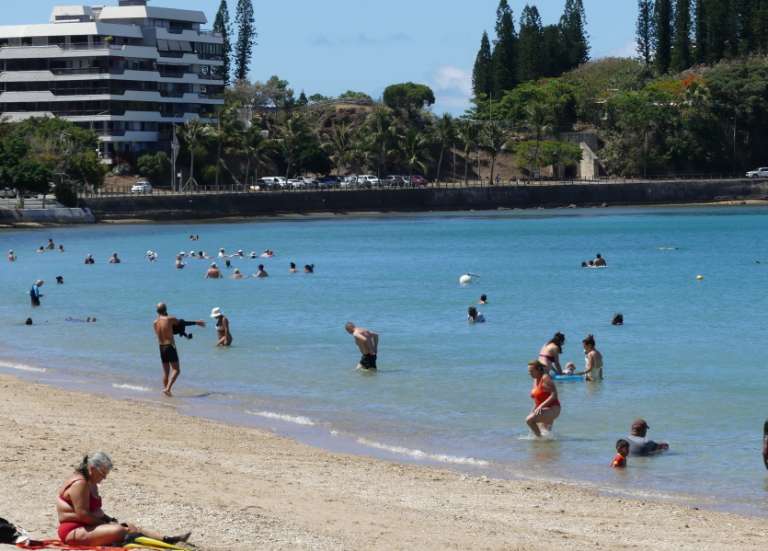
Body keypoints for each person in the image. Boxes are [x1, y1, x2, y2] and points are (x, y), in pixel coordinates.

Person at [56, 452, 190, 546]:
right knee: (119, 530)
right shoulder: (80, 483)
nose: (104, 478)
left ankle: (168, 539)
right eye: (103, 473)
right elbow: (82, 514)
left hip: (89, 526)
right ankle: (131, 538)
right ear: (92, 468)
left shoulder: (91, 483)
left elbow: (95, 510)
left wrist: (109, 519)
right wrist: (106, 524)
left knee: (130, 525)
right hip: (74, 531)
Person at [153, 302, 205, 396]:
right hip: (170, 346)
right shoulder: (170, 319)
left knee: (166, 372)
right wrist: (196, 322)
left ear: (157, 311)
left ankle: (166, 391)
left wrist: (183, 334)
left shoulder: (155, 323)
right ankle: (168, 389)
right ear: (166, 310)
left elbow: (166, 332)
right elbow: (182, 323)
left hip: (161, 347)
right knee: (176, 370)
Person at [526, 360, 561, 438]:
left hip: (553, 408)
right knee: (546, 433)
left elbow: (554, 394)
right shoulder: (535, 380)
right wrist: (534, 409)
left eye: (531, 371)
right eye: (529, 371)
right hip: (542, 409)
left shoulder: (545, 378)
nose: (529, 373)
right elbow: (538, 399)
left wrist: (540, 406)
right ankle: (545, 445)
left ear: (538, 370)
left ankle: (540, 439)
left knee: (529, 420)